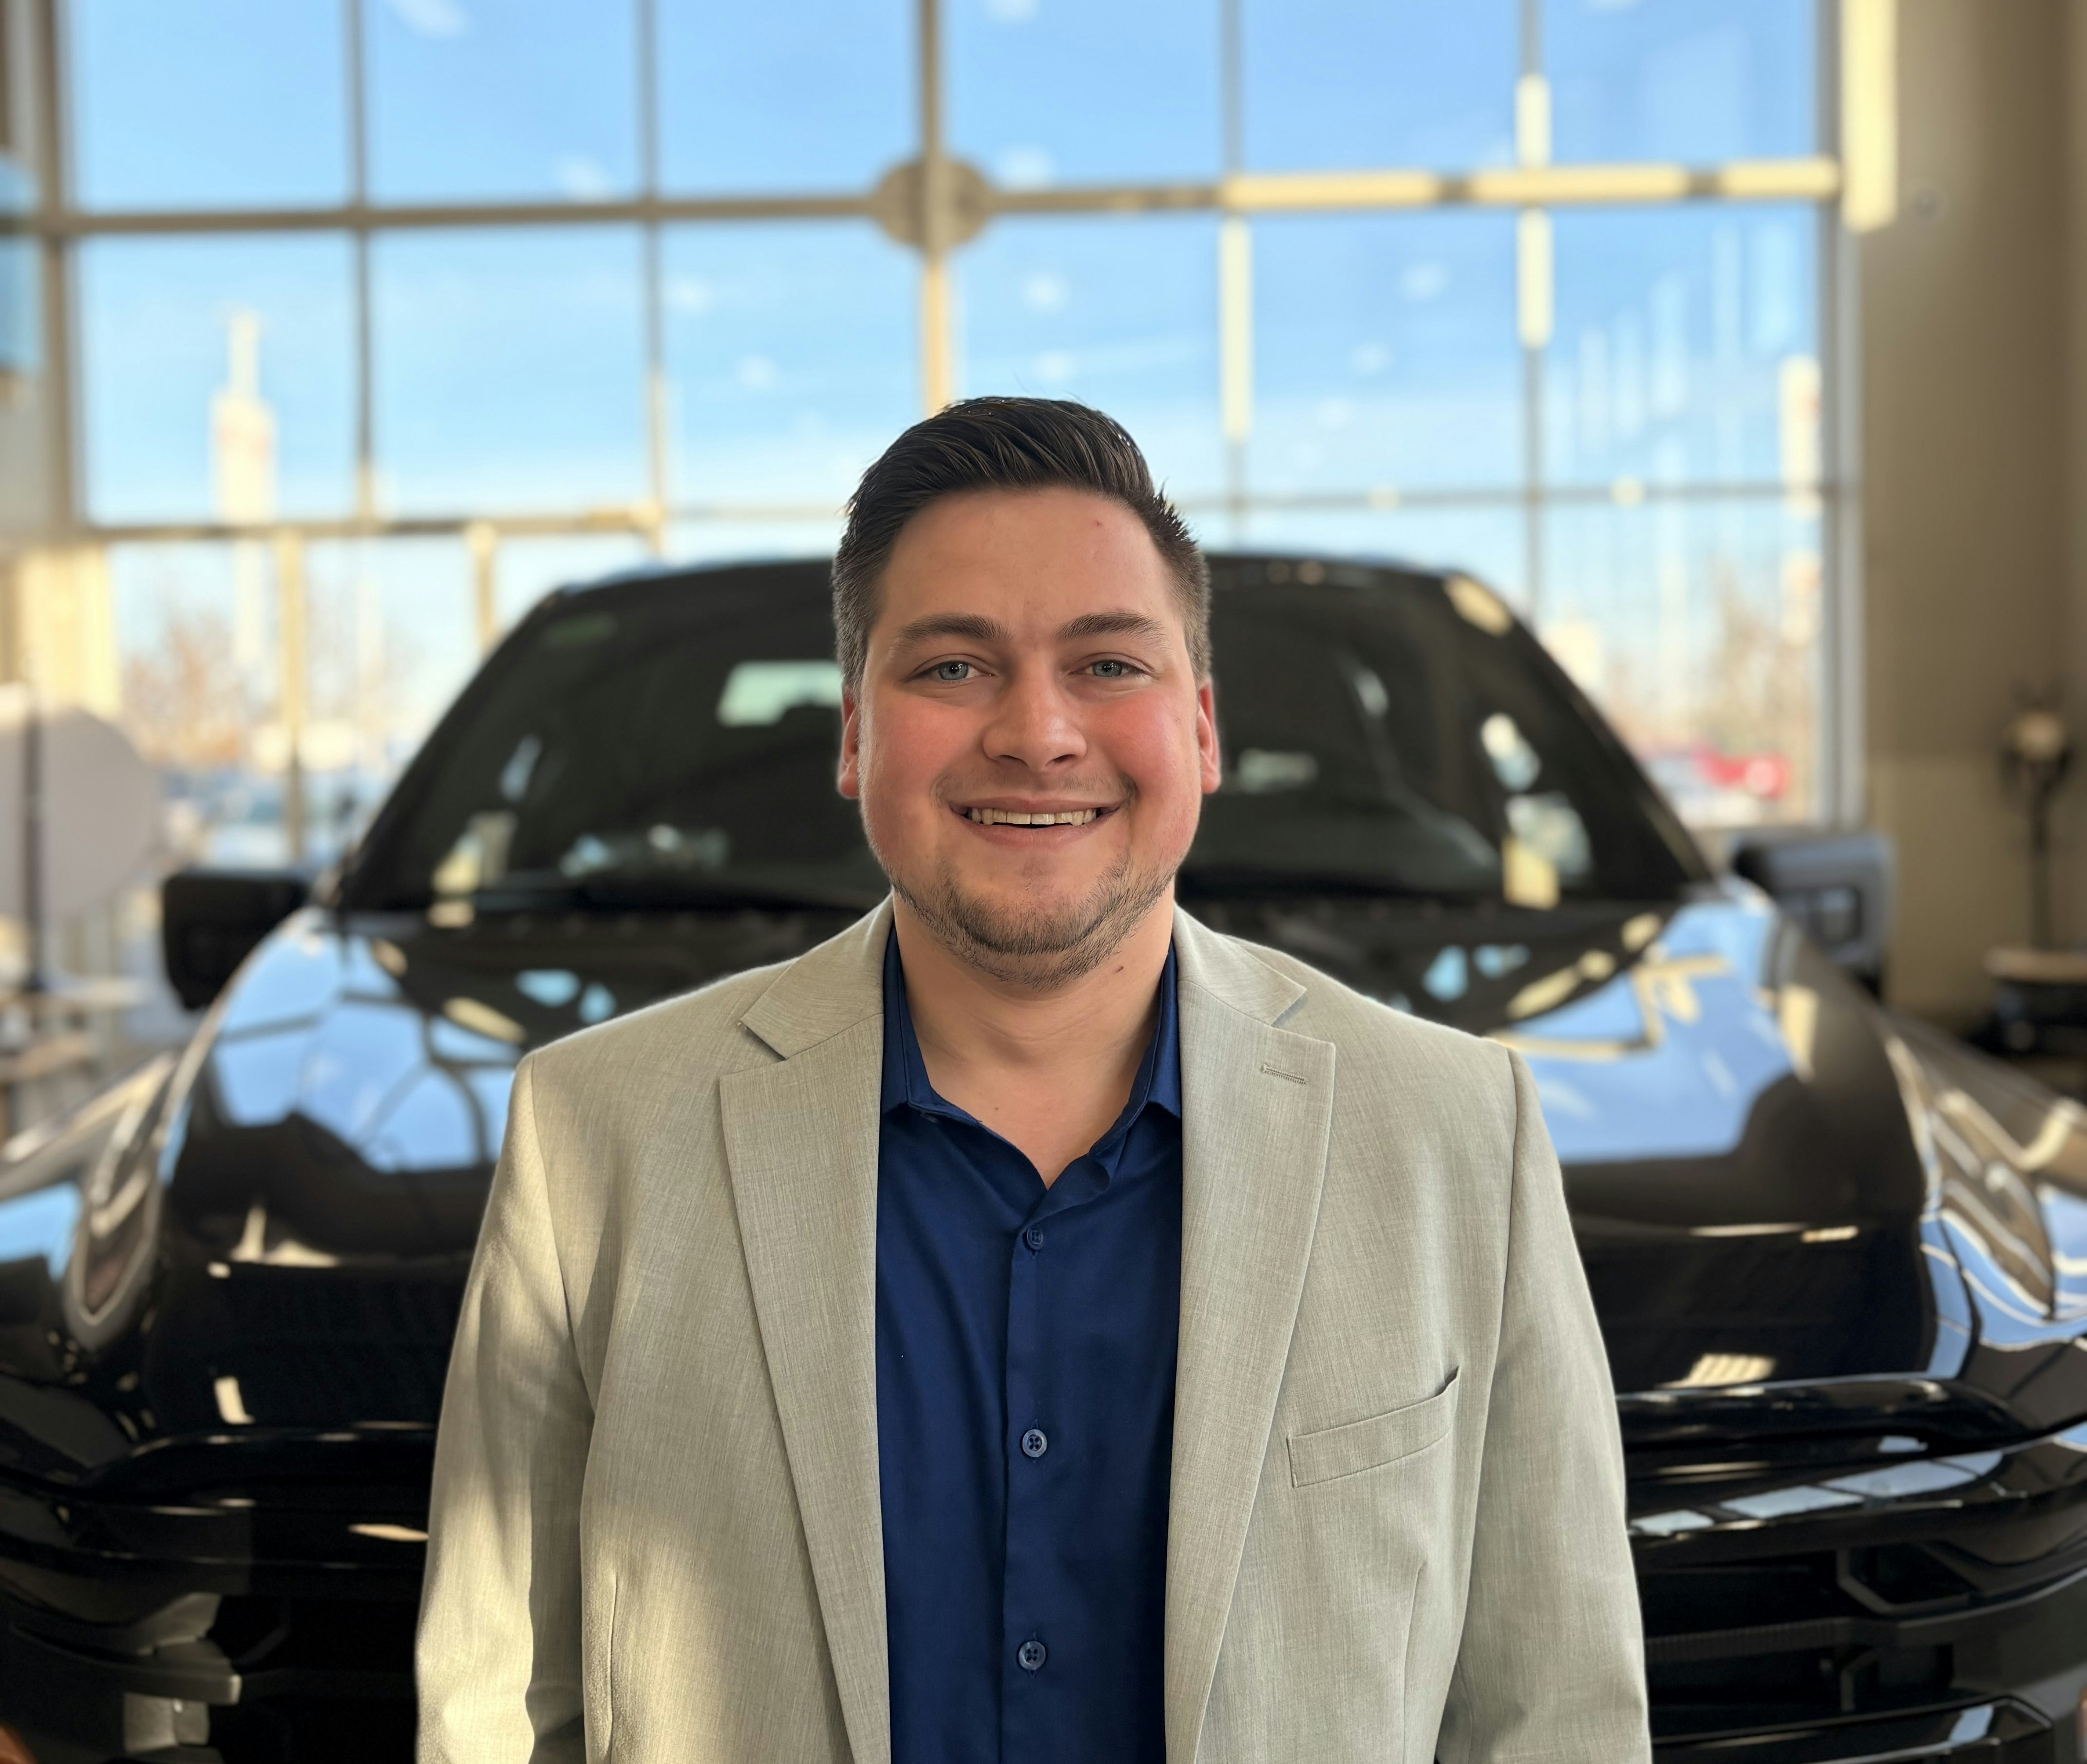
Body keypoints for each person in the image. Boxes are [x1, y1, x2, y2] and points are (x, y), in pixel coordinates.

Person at [416, 397, 1650, 1764]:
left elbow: (1552, 1715)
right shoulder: (593, 1140)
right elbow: (497, 1714)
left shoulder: (1454, 1133)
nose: (1038, 732)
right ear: (853, 735)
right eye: (952, 667)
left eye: (1108, 664)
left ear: (1200, 729)